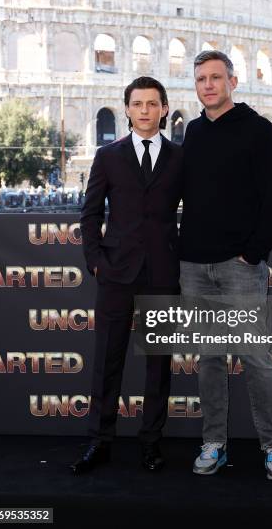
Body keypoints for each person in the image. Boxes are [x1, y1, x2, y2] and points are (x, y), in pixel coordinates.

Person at [179, 50, 272, 480]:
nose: (208, 85)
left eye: (215, 78)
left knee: (255, 357)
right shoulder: (192, 132)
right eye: (201, 79)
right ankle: (214, 443)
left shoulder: (258, 129)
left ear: (233, 81)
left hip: (239, 266)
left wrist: (253, 252)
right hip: (194, 264)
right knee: (209, 358)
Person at [72, 76, 182, 474]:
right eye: (138, 104)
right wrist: (96, 260)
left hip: (163, 273)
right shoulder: (108, 156)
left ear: (164, 109)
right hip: (116, 273)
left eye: (153, 104)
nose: (145, 110)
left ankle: (151, 443)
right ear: (128, 110)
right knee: (107, 361)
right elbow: (90, 213)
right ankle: (99, 442)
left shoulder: (179, 157)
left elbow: (199, 211)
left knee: (158, 363)